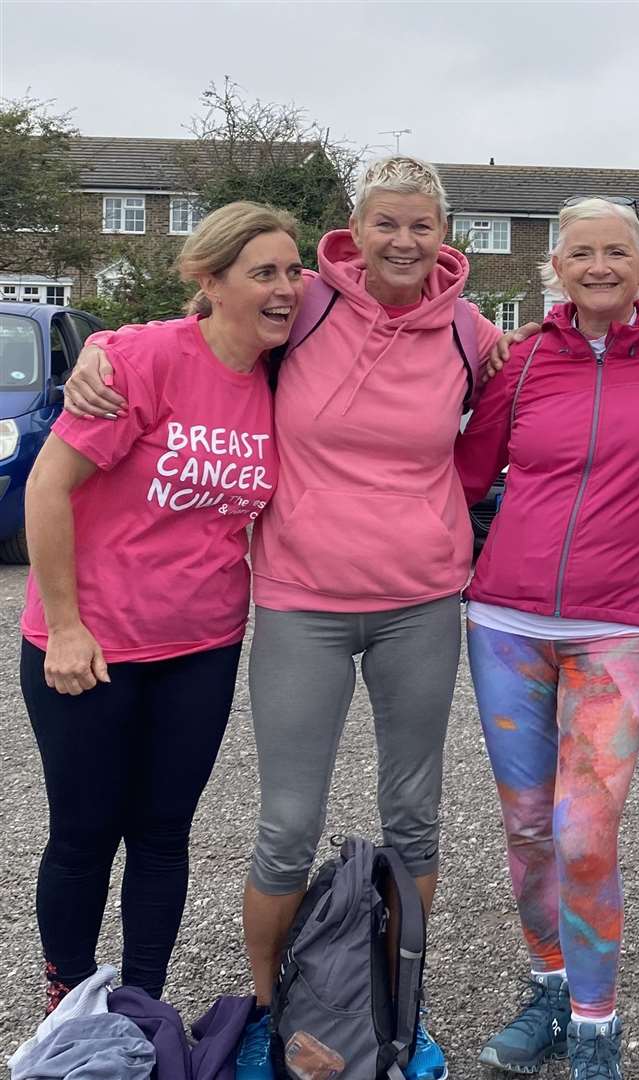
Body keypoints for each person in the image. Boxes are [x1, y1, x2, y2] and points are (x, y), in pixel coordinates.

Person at [61, 155, 502, 1080]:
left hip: (420, 599)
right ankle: (269, 1006)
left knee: (414, 819)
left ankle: (394, 1007)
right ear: (355, 228)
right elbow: (203, 327)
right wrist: (99, 355)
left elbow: (496, 416)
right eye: (386, 222)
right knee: (286, 827)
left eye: (421, 224)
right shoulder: (305, 306)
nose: (403, 241)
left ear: (443, 233)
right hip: (302, 603)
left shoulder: (467, 328)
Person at [454, 195, 639, 1080]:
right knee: (528, 826)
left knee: (584, 833)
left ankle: (595, 1025)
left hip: (616, 625)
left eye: (617, 252)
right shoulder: (521, 363)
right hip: (505, 624)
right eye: (580, 253)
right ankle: (547, 985)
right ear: (554, 269)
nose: (598, 266)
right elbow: (459, 471)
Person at [20, 201, 296, 1012]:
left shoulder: (283, 375)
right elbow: (47, 487)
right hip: (90, 644)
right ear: (208, 281)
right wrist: (66, 627)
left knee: (162, 834)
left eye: (292, 270)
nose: (285, 288)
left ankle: (141, 1001)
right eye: (263, 273)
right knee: (82, 834)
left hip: (201, 645)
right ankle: (67, 996)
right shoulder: (140, 359)